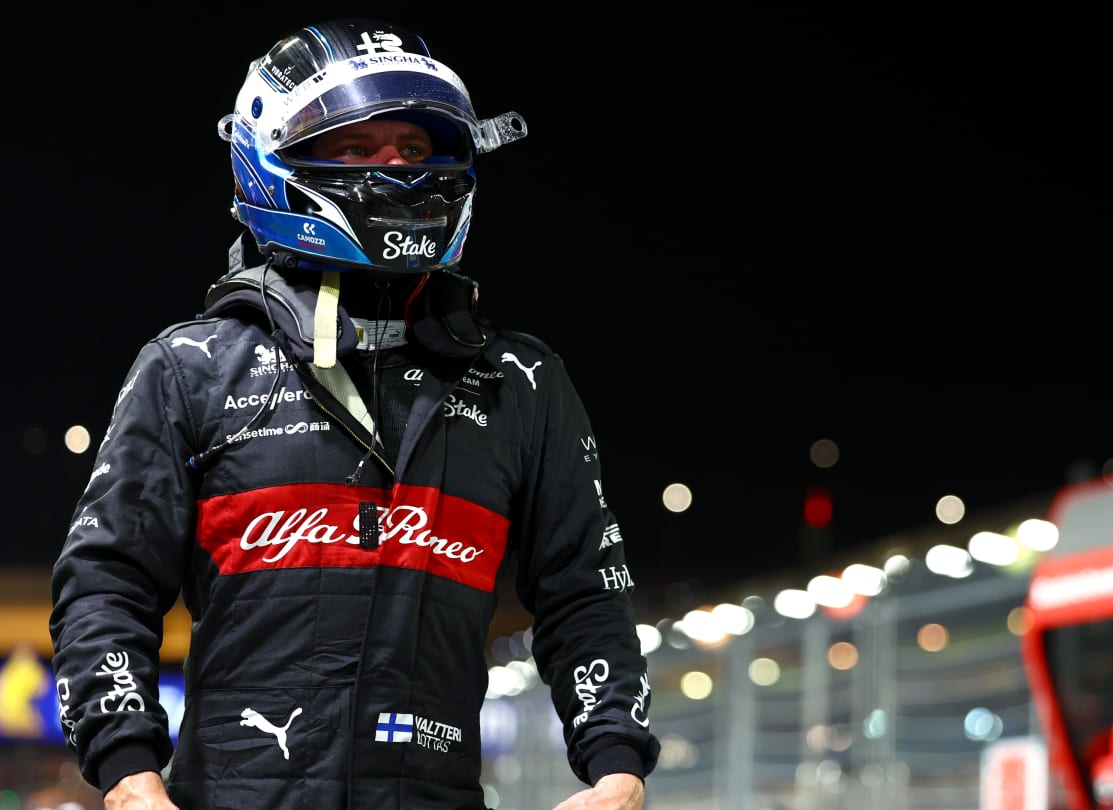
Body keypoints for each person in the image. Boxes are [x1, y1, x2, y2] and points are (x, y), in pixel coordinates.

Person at [48, 17, 659, 810]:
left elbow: (587, 593)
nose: (395, 172)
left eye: (414, 150)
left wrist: (618, 770)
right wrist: (128, 774)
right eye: (357, 149)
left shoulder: (521, 381)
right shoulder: (190, 366)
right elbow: (105, 585)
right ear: (273, 158)